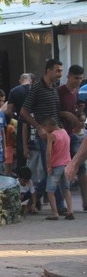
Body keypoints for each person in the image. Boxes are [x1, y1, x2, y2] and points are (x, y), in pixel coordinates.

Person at [20, 59, 67, 215]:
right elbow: (24, 112)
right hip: (44, 136)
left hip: (57, 136)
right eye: (58, 70)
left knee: (56, 170)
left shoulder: (54, 89)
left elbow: (55, 113)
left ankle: (35, 195)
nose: (60, 73)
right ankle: (59, 205)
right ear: (48, 70)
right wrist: (39, 127)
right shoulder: (36, 88)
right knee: (51, 171)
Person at [57, 65, 87, 211]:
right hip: (61, 136)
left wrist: (78, 118)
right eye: (76, 78)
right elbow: (54, 112)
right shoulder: (60, 92)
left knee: (81, 167)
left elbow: (74, 111)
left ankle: (85, 201)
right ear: (68, 77)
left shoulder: (76, 93)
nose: (78, 81)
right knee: (60, 169)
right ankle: (60, 203)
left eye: (81, 78)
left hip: (73, 134)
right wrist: (65, 114)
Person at [42, 116, 74, 221]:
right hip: (67, 164)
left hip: (56, 166)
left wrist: (48, 166)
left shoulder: (52, 136)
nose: (45, 130)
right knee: (66, 189)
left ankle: (55, 213)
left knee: (50, 190)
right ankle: (70, 211)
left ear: (49, 126)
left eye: (45, 127)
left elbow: (48, 153)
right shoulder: (64, 132)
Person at [7, 73, 35, 168]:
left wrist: (15, 117)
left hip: (21, 121)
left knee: (21, 148)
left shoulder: (14, 91)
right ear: (30, 80)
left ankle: (21, 173)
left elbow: (8, 111)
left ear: (20, 80)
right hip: (35, 123)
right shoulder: (35, 90)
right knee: (35, 148)